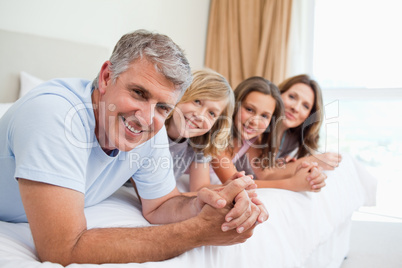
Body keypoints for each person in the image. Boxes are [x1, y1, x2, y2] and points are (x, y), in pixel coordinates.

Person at [0, 30, 268, 265]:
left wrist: (211, 203)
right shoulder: (54, 114)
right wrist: (197, 232)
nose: (145, 118)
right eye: (139, 93)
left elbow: (160, 205)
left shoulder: (153, 128)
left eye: (163, 107)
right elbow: (62, 248)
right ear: (106, 77)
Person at [211, 76, 327, 192]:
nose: (255, 121)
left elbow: (265, 174)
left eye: (264, 116)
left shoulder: (251, 139)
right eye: (249, 109)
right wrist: (292, 184)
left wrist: (302, 170)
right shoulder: (219, 137)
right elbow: (237, 185)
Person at [165, 68, 234, 192]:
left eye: (211, 113)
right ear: (180, 94)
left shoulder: (199, 144)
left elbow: (199, 188)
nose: (200, 116)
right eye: (197, 101)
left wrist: (231, 188)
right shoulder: (154, 129)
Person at [276, 74, 342, 170]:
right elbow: (263, 175)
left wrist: (287, 166)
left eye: (306, 106)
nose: (296, 108)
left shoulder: (293, 139)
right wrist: (309, 161)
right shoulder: (256, 128)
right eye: (292, 97)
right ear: (278, 94)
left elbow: (270, 172)